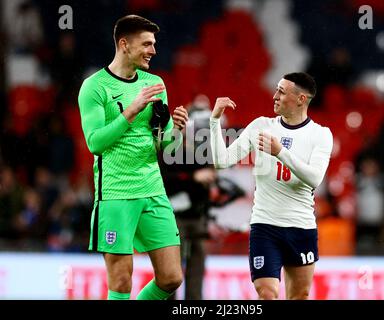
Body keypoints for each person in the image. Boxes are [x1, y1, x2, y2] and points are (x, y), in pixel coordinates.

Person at [78, 15, 189, 300]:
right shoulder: (95, 86)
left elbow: (165, 147)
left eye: (154, 44)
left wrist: (176, 130)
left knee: (172, 278)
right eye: (147, 44)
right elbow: (95, 143)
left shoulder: (155, 84)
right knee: (121, 282)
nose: (153, 50)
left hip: (153, 190)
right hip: (115, 194)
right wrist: (131, 110)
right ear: (124, 45)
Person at [209, 72, 333, 300]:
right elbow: (221, 161)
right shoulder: (261, 126)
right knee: (267, 293)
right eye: (276, 89)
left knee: (300, 295)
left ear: (301, 99)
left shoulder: (321, 135)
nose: (274, 96)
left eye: (281, 92)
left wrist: (280, 152)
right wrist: (215, 120)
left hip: (301, 227)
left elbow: (314, 178)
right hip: (265, 226)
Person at [161, 94, 217, 300]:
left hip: (197, 216)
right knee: (171, 272)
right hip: (174, 217)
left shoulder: (204, 149)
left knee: (197, 267)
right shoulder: (171, 146)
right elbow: (164, 178)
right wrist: (194, 177)